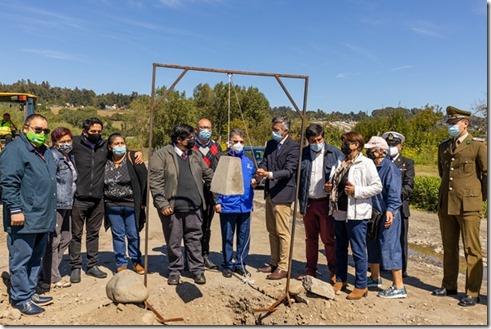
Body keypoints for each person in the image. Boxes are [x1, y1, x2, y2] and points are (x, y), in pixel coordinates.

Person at [69, 117, 143, 284]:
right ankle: (75, 266)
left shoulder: (104, 147)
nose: (97, 134)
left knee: (94, 234)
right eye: (93, 131)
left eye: (99, 131)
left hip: (98, 200)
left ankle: (92, 265)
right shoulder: (75, 144)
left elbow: (124, 152)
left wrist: (137, 152)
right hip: (79, 198)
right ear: (84, 132)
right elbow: (60, 146)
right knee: (76, 234)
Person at [0, 114, 57, 315]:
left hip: (42, 215)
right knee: (21, 258)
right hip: (24, 217)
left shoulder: (45, 151)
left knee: (35, 258)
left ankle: (30, 291)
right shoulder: (15, 150)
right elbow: (8, 182)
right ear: (25, 129)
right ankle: (20, 298)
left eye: (45, 131)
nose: (42, 134)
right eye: (37, 130)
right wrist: (15, 209)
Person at [432, 106, 487, 307]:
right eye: (449, 123)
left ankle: (472, 292)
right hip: (447, 202)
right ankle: (449, 285)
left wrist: (480, 198)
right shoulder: (444, 146)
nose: (451, 126)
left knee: (472, 249)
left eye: (454, 123)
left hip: (469, 204)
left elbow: (486, 173)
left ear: (466, 124)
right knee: (449, 247)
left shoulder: (478, 146)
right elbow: (442, 173)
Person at [149, 123, 214, 285]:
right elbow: (155, 182)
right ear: (179, 139)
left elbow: (208, 174)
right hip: (172, 208)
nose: (194, 140)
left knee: (195, 240)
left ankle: (197, 270)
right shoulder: (162, 155)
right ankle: (175, 270)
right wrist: (162, 204)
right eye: (190, 138)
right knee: (174, 241)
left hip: (194, 206)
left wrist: (225, 183)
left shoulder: (195, 155)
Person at [326, 131, 382, 300]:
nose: (343, 144)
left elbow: (377, 186)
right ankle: (341, 279)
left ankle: (361, 285)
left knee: (358, 250)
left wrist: (357, 191)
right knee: (340, 247)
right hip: (340, 211)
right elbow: (334, 181)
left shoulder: (366, 163)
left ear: (355, 144)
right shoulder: (340, 161)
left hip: (357, 213)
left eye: (346, 142)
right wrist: (329, 186)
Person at [297, 124, 342, 283]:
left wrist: (333, 186)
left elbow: (343, 177)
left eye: (319, 139)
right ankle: (311, 270)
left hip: (325, 203)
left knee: (328, 239)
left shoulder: (335, 154)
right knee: (310, 239)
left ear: (323, 137)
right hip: (308, 203)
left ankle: (334, 271)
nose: (317, 142)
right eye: (313, 140)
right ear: (308, 141)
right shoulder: (303, 155)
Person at [256, 115, 300, 280]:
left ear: (285, 131)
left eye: (277, 130)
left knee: (282, 232)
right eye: (273, 129)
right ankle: (274, 262)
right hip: (270, 193)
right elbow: (265, 162)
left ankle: (283, 266)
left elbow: (289, 171)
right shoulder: (270, 144)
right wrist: (260, 172)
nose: (274, 132)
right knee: (271, 230)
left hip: (283, 194)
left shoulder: (294, 148)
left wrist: (269, 174)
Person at [364, 136, 406, 299]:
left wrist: (390, 210)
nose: (369, 152)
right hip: (373, 213)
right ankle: (375, 278)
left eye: (372, 149)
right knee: (372, 244)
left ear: (382, 150)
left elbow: (394, 192)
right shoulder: (372, 166)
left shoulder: (389, 168)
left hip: (388, 213)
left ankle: (399, 286)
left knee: (390, 247)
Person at [214, 129, 257, 278]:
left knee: (243, 237)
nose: (238, 144)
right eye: (235, 141)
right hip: (227, 206)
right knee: (227, 236)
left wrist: (256, 181)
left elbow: (257, 176)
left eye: (241, 141)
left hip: (244, 205)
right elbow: (215, 182)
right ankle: (227, 264)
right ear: (229, 142)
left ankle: (240, 264)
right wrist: (217, 201)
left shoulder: (249, 159)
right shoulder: (222, 159)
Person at [103, 133, 148, 274]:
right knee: (118, 235)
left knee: (133, 234)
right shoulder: (105, 160)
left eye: (122, 143)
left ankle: (136, 261)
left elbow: (144, 181)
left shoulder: (133, 158)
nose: (120, 146)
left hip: (131, 205)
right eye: (116, 144)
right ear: (110, 147)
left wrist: (143, 203)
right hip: (112, 206)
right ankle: (121, 263)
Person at [40, 127, 77, 289]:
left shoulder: (68, 157)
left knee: (66, 237)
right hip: (57, 204)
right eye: (63, 142)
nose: (67, 144)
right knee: (54, 240)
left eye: (69, 141)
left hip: (68, 203)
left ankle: (49, 271)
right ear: (55, 142)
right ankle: (51, 276)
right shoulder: (53, 157)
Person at [382, 131, 415, 278]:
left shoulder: (407, 163)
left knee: (400, 239)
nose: (391, 147)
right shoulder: (380, 161)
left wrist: (395, 196)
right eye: (388, 144)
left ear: (400, 146)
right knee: (381, 236)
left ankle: (402, 268)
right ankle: (383, 265)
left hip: (400, 206)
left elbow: (409, 185)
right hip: (382, 206)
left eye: (394, 144)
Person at [193, 117, 222, 270]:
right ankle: (192, 256)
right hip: (194, 190)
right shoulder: (191, 147)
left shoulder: (217, 147)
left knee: (206, 226)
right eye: (202, 127)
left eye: (208, 127)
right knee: (192, 225)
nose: (206, 130)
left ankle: (204, 255)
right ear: (196, 129)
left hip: (210, 191)